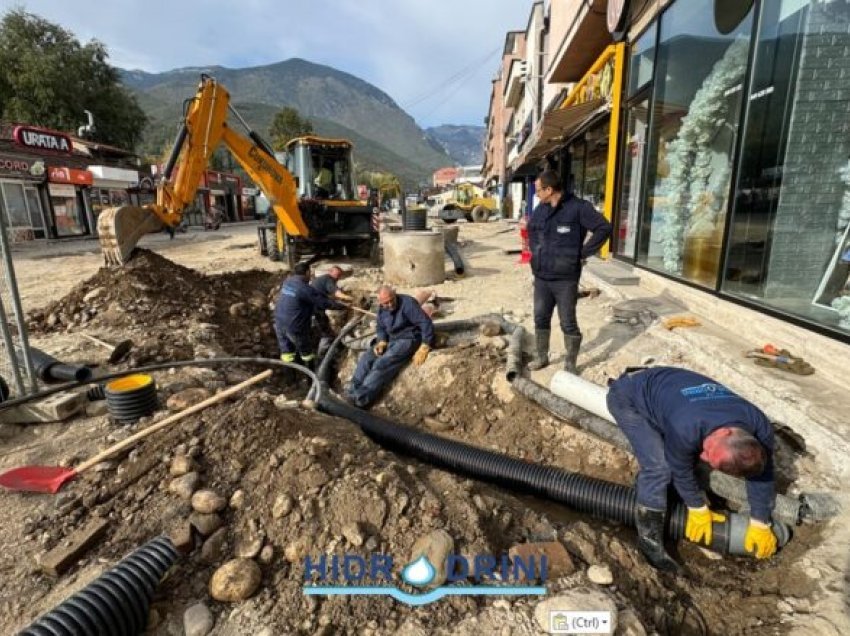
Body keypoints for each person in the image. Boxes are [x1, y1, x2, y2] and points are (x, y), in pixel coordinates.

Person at [606, 366, 777, 572]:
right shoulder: (687, 426)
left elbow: (762, 473)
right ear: (725, 432)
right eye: (708, 451)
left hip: (673, 394)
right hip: (628, 396)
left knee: (688, 456)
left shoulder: (760, 426)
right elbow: (680, 469)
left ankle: (665, 498)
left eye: (709, 454)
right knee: (660, 467)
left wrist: (760, 521)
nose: (704, 456)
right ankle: (648, 541)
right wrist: (697, 508)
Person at [527, 169, 611, 373]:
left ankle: (570, 363)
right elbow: (532, 232)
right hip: (542, 277)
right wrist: (535, 257)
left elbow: (604, 228)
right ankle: (541, 356)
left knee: (568, 322)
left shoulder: (578, 208)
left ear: (549, 189)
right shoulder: (541, 209)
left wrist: (582, 254)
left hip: (565, 279)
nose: (536, 194)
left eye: (538, 190)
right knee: (540, 317)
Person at [345, 285, 434, 408]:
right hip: (392, 339)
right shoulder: (382, 309)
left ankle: (361, 398)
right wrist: (382, 341)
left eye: (391, 300)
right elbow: (380, 327)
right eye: (386, 303)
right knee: (367, 358)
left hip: (409, 339)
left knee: (383, 363)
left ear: (394, 295)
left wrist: (425, 344)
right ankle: (351, 391)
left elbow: (425, 323)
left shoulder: (408, 304)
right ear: (380, 302)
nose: (390, 304)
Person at [274, 262, 346, 367]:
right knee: (307, 354)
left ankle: (290, 381)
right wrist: (341, 306)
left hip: (279, 323)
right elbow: (322, 303)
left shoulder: (288, 282)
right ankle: (311, 379)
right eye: (310, 272)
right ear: (307, 272)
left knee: (287, 354)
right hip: (295, 326)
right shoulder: (305, 288)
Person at [311, 265, 353, 351]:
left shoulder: (321, 280)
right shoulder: (329, 279)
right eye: (337, 275)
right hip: (316, 310)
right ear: (330, 272)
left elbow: (329, 299)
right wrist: (349, 299)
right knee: (326, 333)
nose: (337, 278)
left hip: (312, 308)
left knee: (323, 330)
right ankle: (323, 355)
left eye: (339, 275)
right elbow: (337, 294)